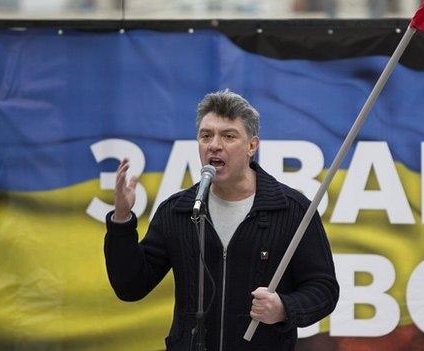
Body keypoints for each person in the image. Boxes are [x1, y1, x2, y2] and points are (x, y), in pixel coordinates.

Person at [104, 90, 339, 350]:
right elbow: (130, 286)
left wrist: (283, 308)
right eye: (206, 136)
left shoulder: (292, 210)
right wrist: (122, 219)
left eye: (228, 136)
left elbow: (324, 290)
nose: (214, 145)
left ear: (252, 145)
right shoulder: (178, 211)